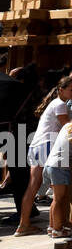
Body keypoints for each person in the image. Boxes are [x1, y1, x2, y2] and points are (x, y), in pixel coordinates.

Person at [15, 75, 72, 235]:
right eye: (71, 90)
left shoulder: (55, 104)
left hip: (36, 145)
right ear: (61, 90)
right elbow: (68, 127)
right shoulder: (60, 105)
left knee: (32, 187)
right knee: (57, 189)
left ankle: (24, 224)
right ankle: (58, 224)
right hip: (47, 145)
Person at [0, 53, 39, 225]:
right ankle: (28, 209)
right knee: (20, 174)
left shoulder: (11, 85)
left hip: (14, 132)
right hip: (21, 133)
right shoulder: (24, 89)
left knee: (19, 174)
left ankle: (26, 211)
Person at [45, 114, 72, 237]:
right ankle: (58, 230)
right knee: (58, 199)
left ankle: (52, 227)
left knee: (56, 199)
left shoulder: (66, 127)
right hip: (58, 167)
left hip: (50, 165)